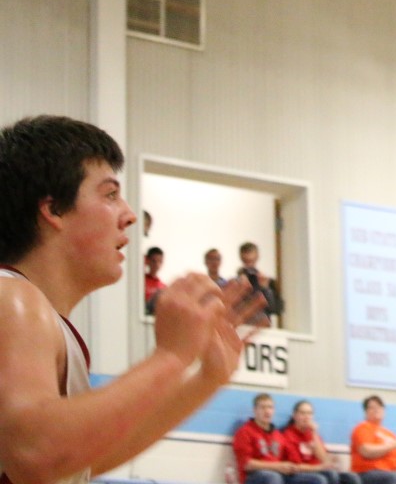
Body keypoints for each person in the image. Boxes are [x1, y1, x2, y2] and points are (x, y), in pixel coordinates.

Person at [0, 114, 258, 484]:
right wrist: (170, 356)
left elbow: (81, 459)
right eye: (110, 194)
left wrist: (206, 379)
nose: (129, 215)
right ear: (54, 209)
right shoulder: (12, 295)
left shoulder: (37, 312)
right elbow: (35, 452)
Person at [233, 393, 327, 484]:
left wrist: (290, 467)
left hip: (279, 474)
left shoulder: (277, 435)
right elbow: (246, 464)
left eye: (270, 407)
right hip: (254, 476)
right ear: (255, 410)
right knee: (273, 477)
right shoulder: (245, 432)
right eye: (263, 407)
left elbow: (291, 461)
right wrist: (277, 466)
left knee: (318, 479)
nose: (267, 411)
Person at [281, 399, 359, 484]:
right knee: (320, 480)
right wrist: (319, 467)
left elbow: (324, 459)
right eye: (302, 413)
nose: (306, 417)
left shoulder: (313, 434)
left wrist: (314, 432)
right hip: (296, 474)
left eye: (309, 413)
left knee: (350, 478)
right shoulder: (288, 435)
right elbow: (296, 466)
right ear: (294, 415)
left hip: (316, 470)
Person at [350, 395, 396, 484]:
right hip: (367, 472)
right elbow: (366, 451)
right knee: (394, 478)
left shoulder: (390, 434)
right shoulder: (362, 428)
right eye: (372, 407)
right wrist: (393, 445)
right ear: (366, 412)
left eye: (379, 407)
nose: (376, 410)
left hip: (392, 472)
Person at [239, 240, 283, 324]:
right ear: (241, 258)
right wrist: (239, 289)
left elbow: (276, 309)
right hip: (242, 326)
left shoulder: (268, 281)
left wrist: (265, 289)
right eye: (246, 260)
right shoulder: (236, 282)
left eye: (251, 260)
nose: (249, 263)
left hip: (262, 326)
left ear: (257, 257)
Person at [143, 245, 167, 312]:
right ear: (147, 260)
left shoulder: (163, 286)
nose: (157, 264)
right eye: (154, 261)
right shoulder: (141, 281)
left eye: (160, 261)